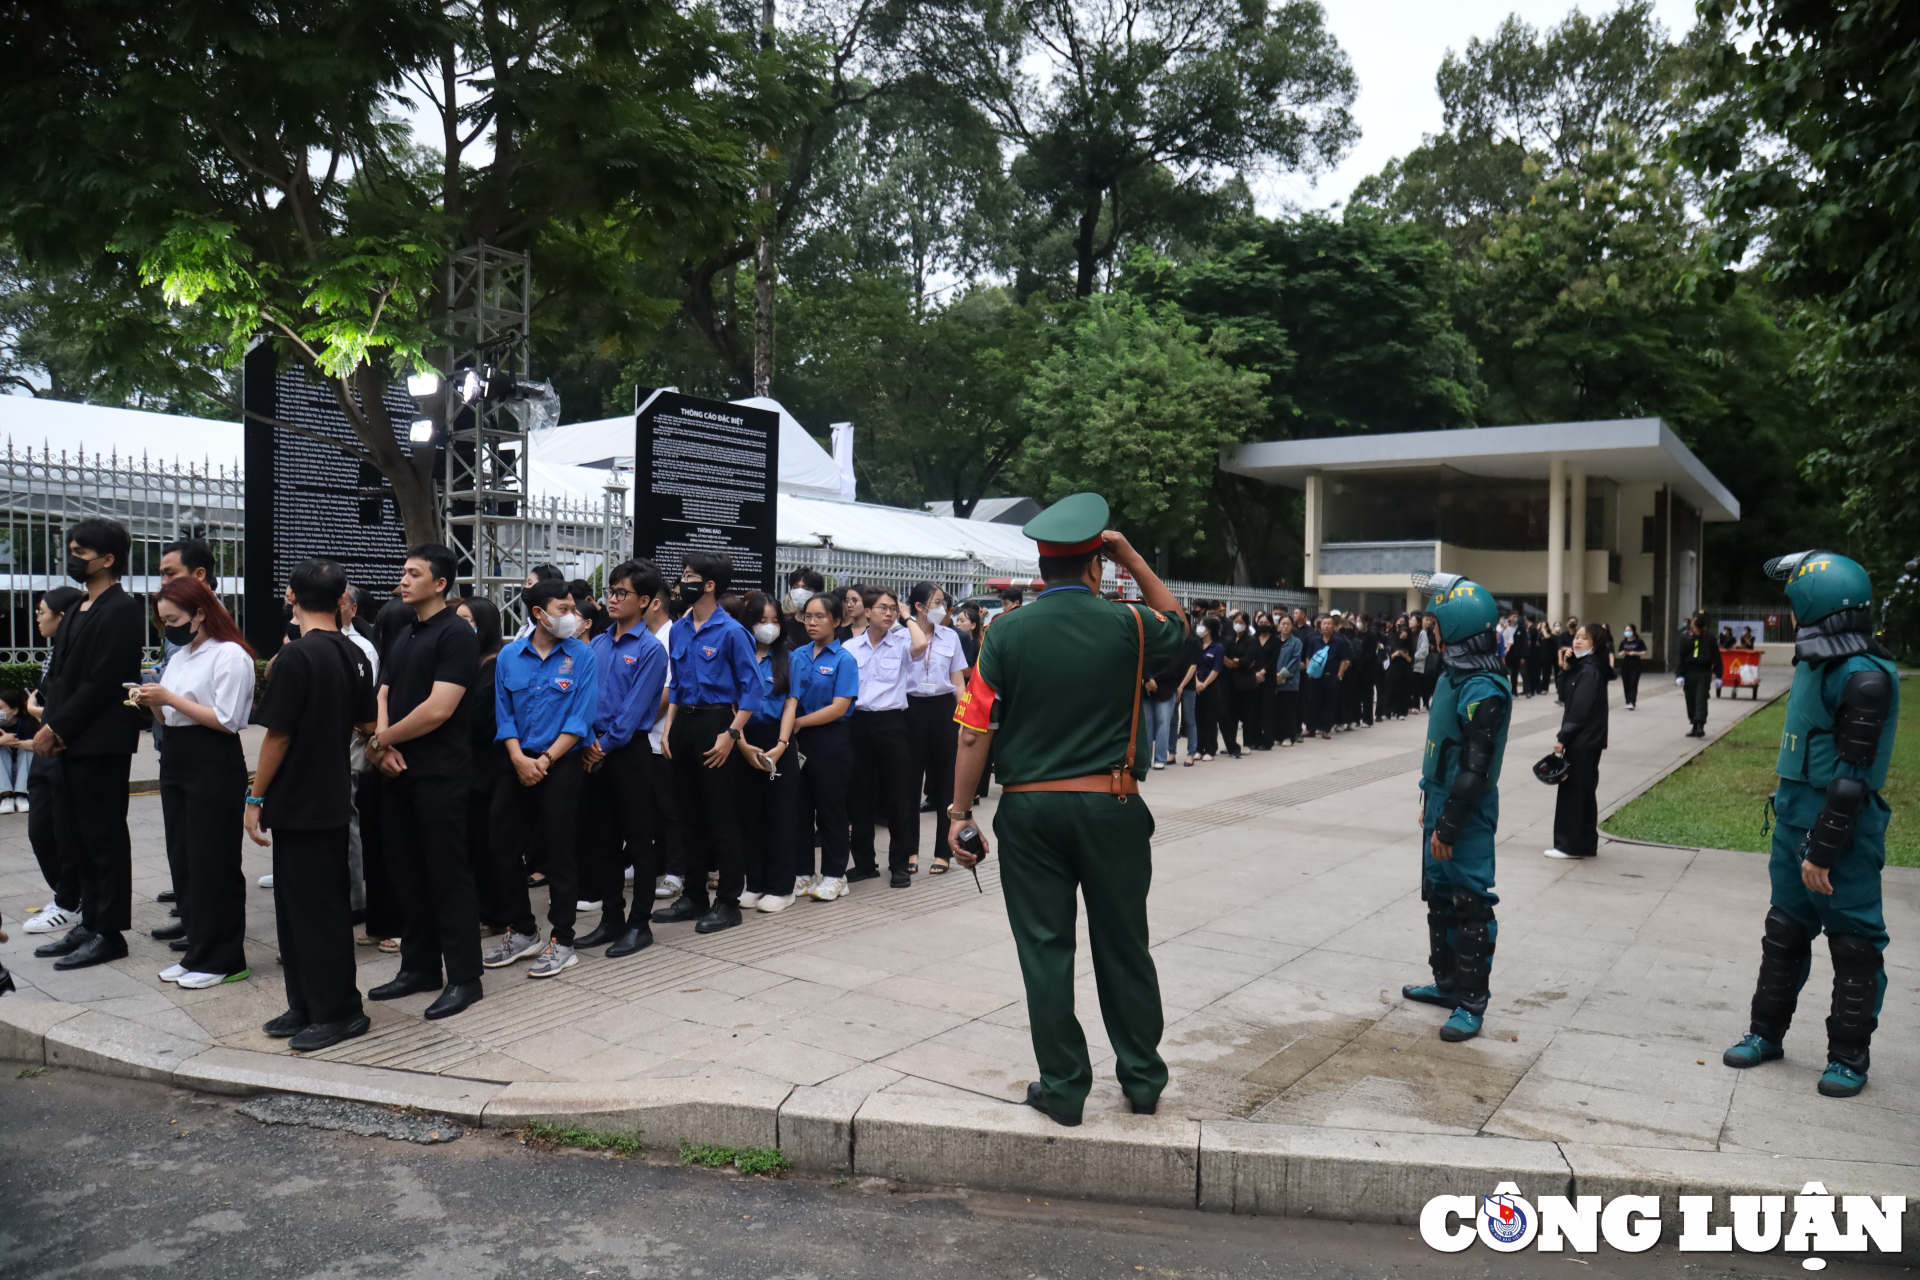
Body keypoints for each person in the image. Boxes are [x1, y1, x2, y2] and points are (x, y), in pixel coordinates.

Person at [948, 492, 1188, 1126]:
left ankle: (1065, 1088)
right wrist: (1132, 556)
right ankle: (1141, 1080)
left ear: (1039, 567)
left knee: (1045, 950)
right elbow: (1180, 625)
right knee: (1124, 945)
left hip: (1029, 814)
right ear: (1096, 565)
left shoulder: (1004, 631)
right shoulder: (1131, 624)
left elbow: (974, 731)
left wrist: (957, 814)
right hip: (1112, 805)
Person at [1723, 552, 1899, 1099]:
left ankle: (1848, 1058)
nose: (1791, 615)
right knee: (1785, 933)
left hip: (1840, 830)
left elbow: (1852, 779)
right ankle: (1764, 1034)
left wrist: (1823, 849)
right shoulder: (1818, 663)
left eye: (1795, 604)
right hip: (1795, 815)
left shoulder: (1863, 676)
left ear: (1814, 606)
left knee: (1853, 946)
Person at [245, 558, 376, 1050]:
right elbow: (367, 724)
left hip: (303, 798)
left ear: (291, 596)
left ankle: (338, 1010)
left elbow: (277, 737)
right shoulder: (354, 653)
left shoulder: (299, 657)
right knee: (297, 907)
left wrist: (254, 796)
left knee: (315, 909)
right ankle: (304, 1003)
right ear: (342, 597)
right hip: (329, 795)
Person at [365, 543, 485, 1020]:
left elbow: (439, 708)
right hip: (398, 771)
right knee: (406, 873)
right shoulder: (404, 634)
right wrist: (383, 742)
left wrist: (382, 741)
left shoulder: (456, 634)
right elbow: (385, 691)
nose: (404, 579)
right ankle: (418, 967)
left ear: (440, 584)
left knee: (447, 875)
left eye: (414, 573)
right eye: (403, 572)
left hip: (441, 775)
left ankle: (464, 976)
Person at [28, 518, 145, 973]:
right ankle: (90, 920)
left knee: (104, 838)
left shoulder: (122, 608)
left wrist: (56, 726)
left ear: (108, 559)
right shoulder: (78, 606)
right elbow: (61, 676)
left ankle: (110, 932)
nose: (73, 558)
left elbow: (103, 681)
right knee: (74, 837)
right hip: (71, 743)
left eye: (81, 551)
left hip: (100, 744)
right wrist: (53, 726)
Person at [1400, 570, 1512, 1044]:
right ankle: (1447, 985)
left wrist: (1449, 824)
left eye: (1436, 621)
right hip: (1441, 797)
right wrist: (1432, 801)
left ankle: (1471, 1002)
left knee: (1469, 902)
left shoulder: (1484, 687)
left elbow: (1476, 768)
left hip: (1466, 809)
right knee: (1440, 898)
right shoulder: (1455, 673)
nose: (1430, 628)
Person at [132, 578, 255, 988]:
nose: (169, 626)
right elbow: (171, 718)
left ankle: (224, 958)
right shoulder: (182, 655)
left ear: (201, 612)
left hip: (214, 760)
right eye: (163, 620)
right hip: (178, 757)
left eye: (174, 618)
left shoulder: (231, 655)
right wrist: (152, 703)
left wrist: (168, 698)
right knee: (183, 859)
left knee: (213, 861)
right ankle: (198, 952)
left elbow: (226, 719)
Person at [480, 578, 598, 978]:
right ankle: (523, 931)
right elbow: (504, 713)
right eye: (563, 609)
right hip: (516, 762)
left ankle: (563, 940)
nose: (571, 616)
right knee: (501, 844)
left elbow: (581, 717)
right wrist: (518, 758)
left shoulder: (582, 656)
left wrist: (545, 760)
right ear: (538, 614)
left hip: (559, 762)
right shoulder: (510, 656)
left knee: (559, 852)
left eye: (572, 608)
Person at [652, 551, 758, 934]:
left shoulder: (732, 632)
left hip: (717, 723)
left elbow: (752, 690)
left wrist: (731, 734)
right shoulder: (679, 629)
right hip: (684, 725)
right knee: (687, 814)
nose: (682, 582)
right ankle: (693, 895)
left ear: (709, 585)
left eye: (689, 576)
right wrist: (667, 730)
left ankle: (728, 901)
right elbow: (677, 684)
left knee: (721, 815)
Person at [578, 560, 669, 954]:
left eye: (621, 593)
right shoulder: (597, 642)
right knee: (601, 839)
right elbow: (583, 696)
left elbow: (634, 711)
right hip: (592, 748)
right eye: (611, 592)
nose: (612, 600)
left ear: (645, 601)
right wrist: (586, 741)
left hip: (627, 750)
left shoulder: (650, 650)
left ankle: (639, 923)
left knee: (638, 840)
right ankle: (611, 918)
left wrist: (603, 745)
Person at [16, 589, 85, 936]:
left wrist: (37, 712)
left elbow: (80, 705)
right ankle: (69, 898)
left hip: (64, 751)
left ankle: (71, 902)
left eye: (42, 611)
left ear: (63, 616)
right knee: (41, 829)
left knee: (62, 831)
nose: (37, 617)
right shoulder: (54, 653)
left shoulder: (79, 653)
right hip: (45, 752)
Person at [732, 590, 801, 909]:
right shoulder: (738, 653)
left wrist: (782, 745)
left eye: (775, 620)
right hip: (743, 738)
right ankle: (755, 882)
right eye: (762, 620)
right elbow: (733, 702)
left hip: (778, 740)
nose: (769, 627)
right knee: (749, 816)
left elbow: (791, 704)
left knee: (781, 817)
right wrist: (742, 744)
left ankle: (781, 887)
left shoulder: (789, 656)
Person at [846, 586, 919, 886]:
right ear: (867, 612)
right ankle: (864, 863)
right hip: (857, 723)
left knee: (898, 796)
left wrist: (908, 616)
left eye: (892, 608)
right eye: (882, 608)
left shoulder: (902, 643)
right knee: (858, 796)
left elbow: (922, 644)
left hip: (892, 723)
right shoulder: (850, 648)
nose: (888, 613)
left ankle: (899, 865)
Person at [791, 591, 861, 901]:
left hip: (831, 739)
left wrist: (800, 723)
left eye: (820, 616)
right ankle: (803, 873)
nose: (812, 622)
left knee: (831, 810)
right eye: (808, 616)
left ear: (836, 621)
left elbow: (838, 707)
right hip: (797, 739)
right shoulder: (798, 655)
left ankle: (836, 875)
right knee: (800, 809)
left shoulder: (844, 659)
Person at [454, 595, 510, 937]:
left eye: (468, 620)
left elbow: (479, 720)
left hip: (487, 769)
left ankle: (497, 912)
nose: (462, 627)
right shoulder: (468, 662)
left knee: (488, 844)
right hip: (467, 768)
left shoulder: (495, 665)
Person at [904, 583, 970, 820]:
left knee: (945, 779)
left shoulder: (951, 637)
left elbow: (959, 683)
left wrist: (963, 718)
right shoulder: (901, 638)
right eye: (937, 602)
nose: (943, 608)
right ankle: (908, 850)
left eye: (944, 602)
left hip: (943, 709)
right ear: (919, 606)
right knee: (910, 780)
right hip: (911, 709)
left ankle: (942, 853)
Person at [1545, 624, 1610, 860]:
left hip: (1584, 740)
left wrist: (1563, 737)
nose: (1578, 641)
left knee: (1573, 792)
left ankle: (1569, 845)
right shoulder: (1583, 667)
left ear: (1595, 643)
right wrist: (1566, 668)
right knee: (1583, 791)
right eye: (1577, 637)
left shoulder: (1590, 671)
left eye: (1585, 638)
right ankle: (1584, 843)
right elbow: (1564, 696)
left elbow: (1580, 710)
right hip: (1587, 739)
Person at [1141, 627, 1183, 770]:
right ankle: (1145, 759)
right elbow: (1142, 660)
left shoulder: (1174, 645)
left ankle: (1160, 758)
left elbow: (1173, 667)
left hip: (1165, 690)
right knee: (1147, 727)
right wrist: (1147, 679)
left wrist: (1153, 680)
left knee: (1162, 725)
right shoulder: (1148, 643)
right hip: (1146, 689)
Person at [1222, 612, 1259, 757]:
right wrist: (1236, 662)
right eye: (1235, 621)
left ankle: (1247, 743)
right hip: (1230, 683)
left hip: (1246, 683)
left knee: (1248, 715)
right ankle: (1231, 744)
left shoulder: (1251, 641)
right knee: (1231, 715)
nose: (1237, 624)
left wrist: (1234, 662)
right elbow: (1227, 660)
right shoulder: (1229, 640)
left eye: (1241, 622)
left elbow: (1248, 661)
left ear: (1246, 624)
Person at [1677, 615, 1720, 738]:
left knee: (1701, 698)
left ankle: (1700, 725)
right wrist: (1679, 674)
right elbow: (1680, 656)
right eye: (1696, 619)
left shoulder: (1710, 638)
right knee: (1690, 699)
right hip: (1689, 672)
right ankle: (1694, 724)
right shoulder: (1685, 637)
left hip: (1704, 672)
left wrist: (1718, 675)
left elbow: (1716, 657)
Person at [1191, 617, 1225, 760]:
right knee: (1198, 718)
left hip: (1211, 686)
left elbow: (1216, 670)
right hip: (1197, 684)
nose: (1199, 627)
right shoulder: (1197, 646)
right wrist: (1197, 682)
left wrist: (1204, 684)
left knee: (1210, 719)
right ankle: (1199, 747)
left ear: (1210, 629)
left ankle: (1210, 749)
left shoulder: (1218, 648)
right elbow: (1192, 666)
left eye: (1202, 625)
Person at [1269, 615, 1303, 747]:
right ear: (1278, 626)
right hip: (1273, 681)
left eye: (1288, 624)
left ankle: (1289, 736)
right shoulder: (1274, 641)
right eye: (1283, 624)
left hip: (1289, 682)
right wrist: (1273, 675)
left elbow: (1295, 661)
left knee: (1288, 710)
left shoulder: (1296, 642)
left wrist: (1281, 675)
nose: (1285, 626)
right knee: (1276, 710)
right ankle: (1278, 735)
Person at [1616, 624, 1647, 709]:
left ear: (1633, 631)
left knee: (1633, 683)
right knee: (1626, 683)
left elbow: (1644, 652)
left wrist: (1635, 653)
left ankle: (1632, 702)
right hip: (1625, 665)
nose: (1627, 632)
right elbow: (1619, 653)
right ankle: (1627, 701)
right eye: (1626, 630)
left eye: (1629, 630)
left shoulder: (1639, 641)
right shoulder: (1623, 642)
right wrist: (1623, 653)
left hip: (1636, 664)